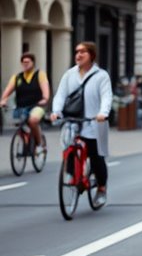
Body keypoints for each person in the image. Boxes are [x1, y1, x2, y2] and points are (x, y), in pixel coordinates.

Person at [51, 42, 114, 206]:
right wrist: (56, 111)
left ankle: (101, 188)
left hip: (94, 123)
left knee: (97, 158)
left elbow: (107, 97)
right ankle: (72, 175)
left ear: (91, 55)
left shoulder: (101, 75)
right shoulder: (69, 74)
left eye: (83, 52)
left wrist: (103, 113)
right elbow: (60, 95)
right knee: (69, 149)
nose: (78, 55)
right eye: (76, 52)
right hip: (73, 121)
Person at [1, 52, 50, 150]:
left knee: (33, 120)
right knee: (20, 126)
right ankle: (27, 142)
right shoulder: (17, 77)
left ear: (33, 63)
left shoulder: (40, 74)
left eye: (28, 62)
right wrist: (3, 100)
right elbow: (7, 91)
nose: (25, 64)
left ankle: (39, 143)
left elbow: (45, 90)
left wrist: (45, 99)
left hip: (37, 106)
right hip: (21, 107)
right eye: (23, 62)